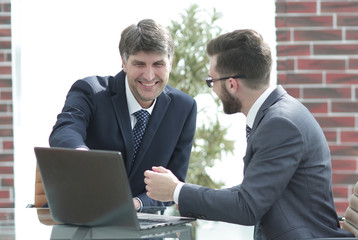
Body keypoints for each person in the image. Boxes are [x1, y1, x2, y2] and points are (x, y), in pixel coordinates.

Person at [144, 29, 354, 239]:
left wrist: (176, 191)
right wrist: (181, 191)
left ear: (232, 84)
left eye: (212, 81)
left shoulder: (280, 124)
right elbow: (253, 190)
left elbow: (247, 207)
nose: (213, 90)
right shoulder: (279, 115)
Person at [49, 19, 197, 211]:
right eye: (139, 64)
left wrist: (136, 204)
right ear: (124, 62)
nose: (149, 75)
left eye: (158, 64)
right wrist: (82, 159)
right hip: (84, 219)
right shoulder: (91, 92)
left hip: (145, 226)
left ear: (170, 63)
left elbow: (174, 182)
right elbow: (64, 130)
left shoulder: (184, 108)